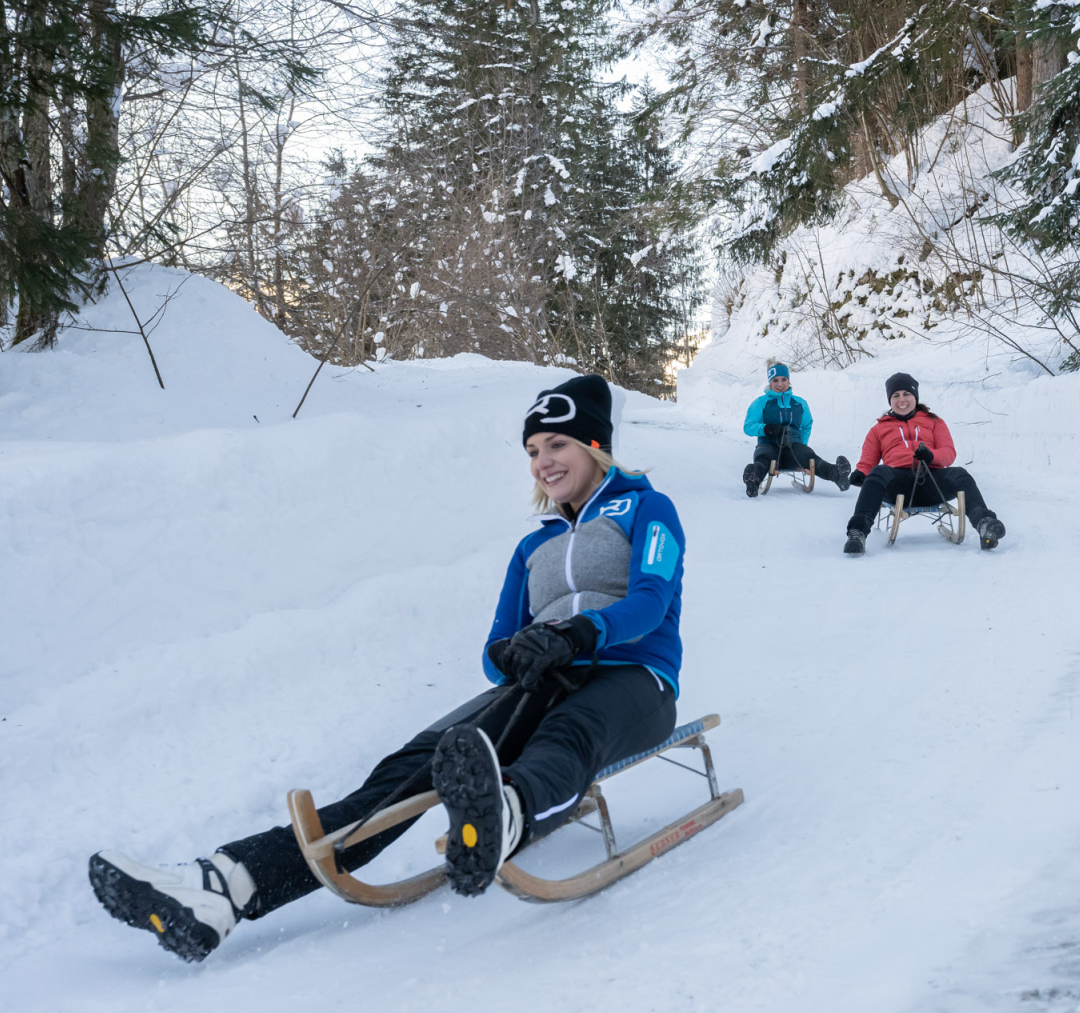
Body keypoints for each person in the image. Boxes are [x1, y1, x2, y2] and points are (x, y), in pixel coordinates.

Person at [88, 374, 687, 963]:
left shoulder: (648, 508)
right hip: (542, 681)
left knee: (566, 736)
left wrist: (583, 632)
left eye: (557, 444)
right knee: (411, 767)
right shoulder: (532, 547)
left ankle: (501, 817)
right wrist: (511, 655)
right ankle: (226, 886)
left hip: (635, 680)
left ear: (594, 445)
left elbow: (651, 601)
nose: (542, 462)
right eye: (532, 450)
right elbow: (494, 646)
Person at [843, 372, 1005, 554]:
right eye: (895, 395)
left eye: (906, 394)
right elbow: (868, 461)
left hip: (932, 482)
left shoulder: (934, 422)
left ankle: (984, 523)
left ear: (915, 397)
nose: (901, 400)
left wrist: (931, 456)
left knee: (960, 473)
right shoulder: (879, 428)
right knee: (879, 471)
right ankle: (857, 533)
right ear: (890, 400)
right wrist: (861, 474)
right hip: (897, 484)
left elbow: (948, 453)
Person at [740, 362, 851, 496]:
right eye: (775, 380)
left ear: (788, 380)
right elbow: (748, 426)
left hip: (792, 446)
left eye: (784, 379)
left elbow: (806, 425)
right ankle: (753, 479)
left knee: (811, 458)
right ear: (770, 382)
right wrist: (767, 428)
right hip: (768, 445)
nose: (780, 384)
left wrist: (802, 446)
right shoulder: (761, 402)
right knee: (764, 459)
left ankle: (838, 475)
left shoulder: (799, 403)